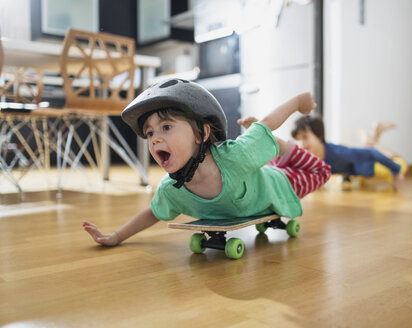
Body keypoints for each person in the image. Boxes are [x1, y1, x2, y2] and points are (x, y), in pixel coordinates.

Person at [83, 79, 331, 246]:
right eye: (149, 133)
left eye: (166, 127)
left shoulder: (234, 156)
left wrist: (298, 103)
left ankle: (273, 144)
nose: (155, 138)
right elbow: (153, 212)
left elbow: (266, 122)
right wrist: (116, 236)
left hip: (281, 184)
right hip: (257, 175)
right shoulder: (172, 190)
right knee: (259, 145)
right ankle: (265, 145)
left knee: (322, 171)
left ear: (200, 134)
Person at [290, 115, 407, 191]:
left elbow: (372, 153)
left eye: (305, 137)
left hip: (370, 167)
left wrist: (396, 171)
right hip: (358, 172)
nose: (301, 144)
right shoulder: (308, 157)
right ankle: (369, 138)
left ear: (319, 136)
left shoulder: (338, 153)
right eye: (298, 139)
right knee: (364, 152)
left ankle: (371, 137)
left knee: (399, 161)